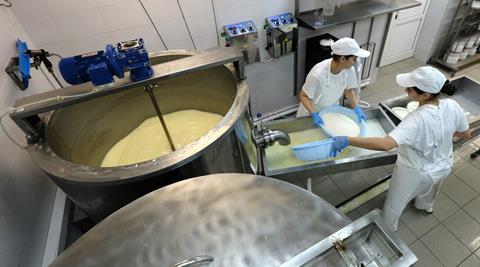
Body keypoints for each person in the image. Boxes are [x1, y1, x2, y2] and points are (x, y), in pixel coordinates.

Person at [330, 66, 472, 231]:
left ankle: (387, 226)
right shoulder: (452, 105)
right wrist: (443, 132)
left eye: (410, 89)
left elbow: (386, 144)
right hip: (444, 164)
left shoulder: (416, 119)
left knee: (396, 201)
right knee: (430, 188)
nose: (405, 89)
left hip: (414, 171)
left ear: (425, 95)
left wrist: (348, 140)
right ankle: (425, 206)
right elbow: (466, 133)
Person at [297, 37, 371, 127]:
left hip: (330, 111)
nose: (355, 62)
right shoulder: (318, 74)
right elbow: (303, 96)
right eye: (354, 59)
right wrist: (313, 114)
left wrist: (356, 107)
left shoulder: (349, 70)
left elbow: (348, 91)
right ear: (343, 58)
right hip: (311, 113)